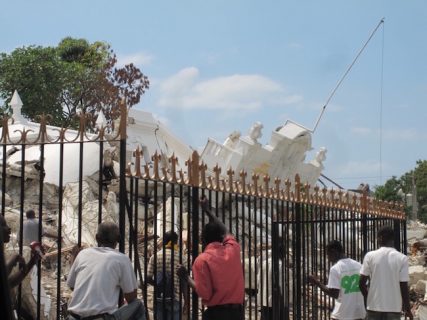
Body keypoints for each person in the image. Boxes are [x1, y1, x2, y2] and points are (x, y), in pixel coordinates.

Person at [177, 196, 244, 320]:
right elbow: (225, 230)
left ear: (203, 240)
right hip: (237, 313)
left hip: (217, 314)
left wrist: (185, 276)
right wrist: (208, 210)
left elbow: (205, 293)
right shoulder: (233, 249)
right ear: (221, 237)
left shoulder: (202, 260)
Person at [67, 221, 145, 320]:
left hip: (73, 316)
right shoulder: (122, 259)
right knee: (138, 305)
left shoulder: (83, 254)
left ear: (96, 238)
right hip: (100, 318)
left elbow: (72, 286)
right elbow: (131, 297)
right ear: (117, 240)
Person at [359, 225, 413, 320]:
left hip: (374, 307)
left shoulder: (370, 256)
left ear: (380, 238)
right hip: (394, 308)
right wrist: (408, 309)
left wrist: (369, 298)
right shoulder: (402, 258)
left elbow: (361, 283)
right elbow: (403, 286)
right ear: (393, 239)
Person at [308, 240, 366, 320]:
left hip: (343, 314)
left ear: (333, 252)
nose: (328, 258)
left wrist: (316, 282)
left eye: (328, 255)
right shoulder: (359, 265)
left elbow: (334, 293)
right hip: (359, 313)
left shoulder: (335, 269)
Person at [147, 230, 188, 320]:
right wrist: (186, 301)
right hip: (175, 298)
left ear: (163, 241)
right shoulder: (181, 258)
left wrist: (158, 284)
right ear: (176, 242)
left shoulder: (154, 257)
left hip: (159, 296)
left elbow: (148, 278)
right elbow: (184, 281)